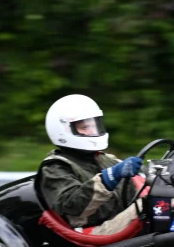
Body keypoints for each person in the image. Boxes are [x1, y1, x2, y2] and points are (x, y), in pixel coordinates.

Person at [38, 94, 143, 236]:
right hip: (92, 231)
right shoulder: (55, 167)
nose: (93, 131)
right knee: (157, 206)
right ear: (64, 130)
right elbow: (71, 206)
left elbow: (138, 190)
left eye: (94, 126)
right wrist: (108, 178)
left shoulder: (104, 159)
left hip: (118, 221)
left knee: (167, 202)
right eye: (85, 127)